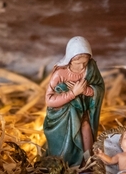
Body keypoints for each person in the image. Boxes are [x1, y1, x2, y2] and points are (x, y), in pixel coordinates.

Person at [44, 36, 105, 167]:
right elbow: (49, 100)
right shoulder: (59, 74)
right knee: (68, 138)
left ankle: (88, 161)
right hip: (62, 116)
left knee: (86, 127)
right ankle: (65, 163)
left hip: (82, 110)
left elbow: (100, 87)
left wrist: (86, 91)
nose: (82, 66)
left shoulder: (91, 68)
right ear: (70, 59)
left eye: (85, 62)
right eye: (78, 63)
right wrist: (73, 93)